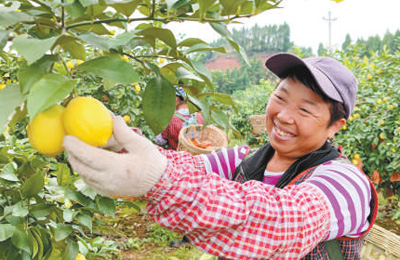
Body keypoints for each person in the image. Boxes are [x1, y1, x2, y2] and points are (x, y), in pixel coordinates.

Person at [63, 52, 378, 260]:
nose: (283, 116)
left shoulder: (345, 182)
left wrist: (158, 179)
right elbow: (182, 166)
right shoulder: (245, 159)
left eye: (305, 109)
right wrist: (121, 144)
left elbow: (286, 222)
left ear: (335, 126)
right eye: (280, 97)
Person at [155, 86, 203, 150]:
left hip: (175, 157)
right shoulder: (199, 117)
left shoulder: (170, 118)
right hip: (194, 157)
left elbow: (160, 141)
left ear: (176, 99)